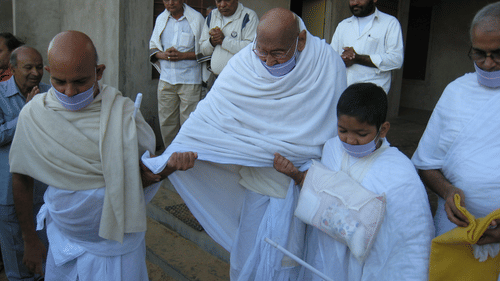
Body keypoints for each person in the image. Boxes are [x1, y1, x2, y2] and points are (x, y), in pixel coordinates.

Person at [142, 8, 347, 280]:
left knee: (293, 264)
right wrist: (168, 161)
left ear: (301, 41)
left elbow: (337, 134)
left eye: (278, 54)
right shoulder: (244, 64)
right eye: (262, 52)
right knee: (248, 259)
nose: (269, 62)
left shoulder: (327, 65)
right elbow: (208, 115)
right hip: (258, 187)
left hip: (305, 189)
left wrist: (304, 175)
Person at [8, 30, 164, 280]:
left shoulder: (123, 115)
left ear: (99, 72)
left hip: (118, 250)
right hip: (62, 239)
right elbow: (21, 178)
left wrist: (160, 171)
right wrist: (30, 240)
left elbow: (140, 178)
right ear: (48, 72)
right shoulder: (34, 115)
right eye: (59, 82)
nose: (69, 92)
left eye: (80, 82)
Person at [274, 83, 434, 280]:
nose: (350, 140)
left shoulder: (400, 172)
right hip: (326, 255)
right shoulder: (332, 149)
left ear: (383, 130)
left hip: (368, 263)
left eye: (361, 134)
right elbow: (323, 192)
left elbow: (411, 236)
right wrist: (296, 175)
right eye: (343, 130)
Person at [412, 1, 500, 256]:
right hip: (455, 231)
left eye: (497, 53)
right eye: (479, 53)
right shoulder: (456, 92)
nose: (487, 63)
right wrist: (447, 191)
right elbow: (426, 163)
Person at [0, 46, 50, 281]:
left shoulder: (50, 93)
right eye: (28, 67)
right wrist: (26, 114)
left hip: (44, 191)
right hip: (8, 194)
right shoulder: (0, 95)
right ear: (11, 69)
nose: (35, 72)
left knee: (46, 259)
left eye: (39, 67)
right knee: (19, 265)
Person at [150, 0, 205, 148]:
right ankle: (171, 157)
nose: (170, 3)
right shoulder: (161, 19)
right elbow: (154, 48)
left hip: (190, 80)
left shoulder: (196, 18)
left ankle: (189, 158)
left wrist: (182, 56)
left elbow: (205, 51)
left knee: (190, 123)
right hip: (166, 79)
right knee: (167, 123)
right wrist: (164, 55)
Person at [330, 0, 404, 94]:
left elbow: (396, 59)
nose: (355, 3)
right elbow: (332, 58)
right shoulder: (343, 25)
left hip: (373, 95)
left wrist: (358, 58)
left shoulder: (390, 23)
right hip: (343, 92)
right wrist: (343, 59)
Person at [199, 0, 258, 76]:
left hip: (239, 78)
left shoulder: (249, 16)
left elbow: (252, 50)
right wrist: (212, 41)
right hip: (215, 77)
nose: (222, 5)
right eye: (219, 1)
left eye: (227, 0)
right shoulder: (212, 15)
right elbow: (203, 50)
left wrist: (223, 41)